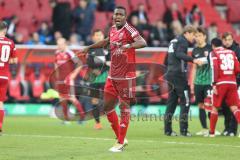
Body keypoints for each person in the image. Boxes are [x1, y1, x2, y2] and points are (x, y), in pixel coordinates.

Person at [80, 6, 147, 152]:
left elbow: (143, 42)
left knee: (124, 108)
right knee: (107, 107)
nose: (117, 16)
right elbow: (105, 41)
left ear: (125, 17)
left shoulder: (130, 30)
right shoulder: (112, 29)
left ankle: (120, 142)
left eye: (120, 14)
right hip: (112, 75)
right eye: (115, 14)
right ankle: (120, 138)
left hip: (126, 76)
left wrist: (128, 46)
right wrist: (89, 47)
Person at [164, 25, 203, 137]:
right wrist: (193, 60)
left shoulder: (174, 40)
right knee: (185, 102)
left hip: (170, 74)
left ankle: (168, 130)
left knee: (171, 103)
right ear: (187, 33)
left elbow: (167, 58)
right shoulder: (183, 41)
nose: (194, 38)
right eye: (193, 35)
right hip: (179, 76)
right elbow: (179, 54)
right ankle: (184, 130)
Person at [208, 38, 240, 137]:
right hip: (232, 82)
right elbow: (238, 68)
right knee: (235, 107)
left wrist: (213, 84)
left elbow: (214, 68)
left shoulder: (213, 53)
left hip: (220, 83)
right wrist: (231, 77)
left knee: (215, 108)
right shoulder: (231, 52)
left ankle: (212, 133)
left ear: (213, 45)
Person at [54, 38, 85, 124]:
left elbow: (80, 64)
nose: (59, 46)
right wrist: (56, 78)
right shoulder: (56, 53)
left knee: (72, 98)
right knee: (62, 99)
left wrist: (73, 75)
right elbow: (56, 66)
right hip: (60, 80)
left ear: (65, 44)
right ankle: (66, 119)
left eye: (61, 44)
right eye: (58, 44)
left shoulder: (69, 53)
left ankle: (82, 117)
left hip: (68, 80)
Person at [191, 27, 212, 136]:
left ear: (204, 36)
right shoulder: (194, 50)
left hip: (208, 82)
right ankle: (204, 129)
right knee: (200, 105)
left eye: (199, 35)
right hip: (198, 83)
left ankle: (212, 129)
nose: (197, 38)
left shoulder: (210, 48)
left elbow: (214, 65)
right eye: (196, 36)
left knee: (209, 105)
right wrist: (192, 84)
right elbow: (194, 68)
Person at [220, 32, 240, 136]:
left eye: (229, 40)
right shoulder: (220, 50)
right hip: (223, 83)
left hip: (236, 82)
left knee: (234, 105)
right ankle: (227, 128)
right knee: (225, 106)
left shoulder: (237, 50)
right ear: (222, 40)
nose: (227, 42)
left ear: (232, 40)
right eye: (225, 40)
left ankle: (233, 129)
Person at [0, 21, 18, 134]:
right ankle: (0, 126)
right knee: (0, 102)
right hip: (4, 76)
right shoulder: (11, 43)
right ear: (5, 30)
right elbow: (14, 61)